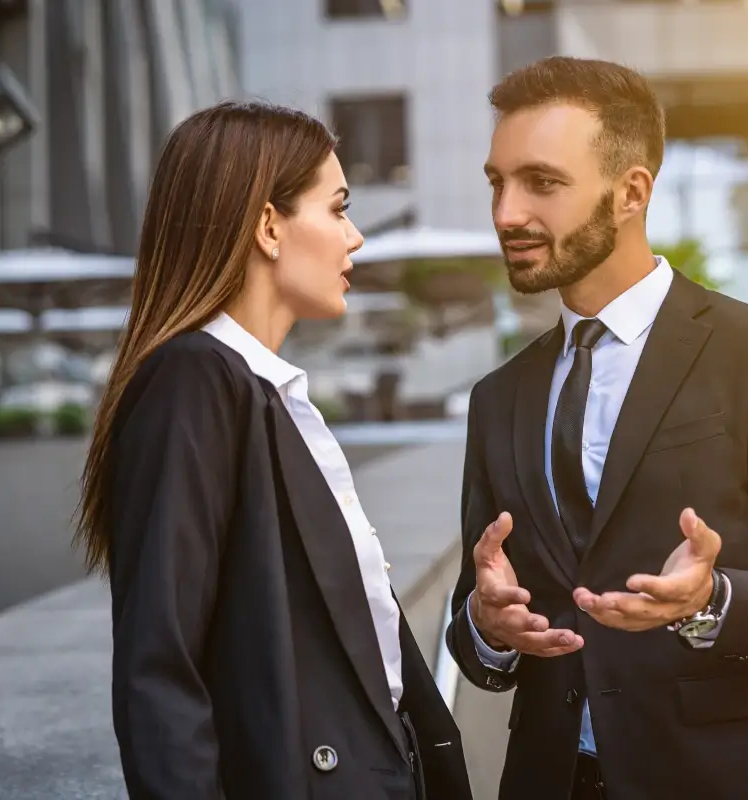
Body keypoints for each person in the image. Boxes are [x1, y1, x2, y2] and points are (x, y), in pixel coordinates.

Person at [444, 56, 748, 799]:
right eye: (497, 182)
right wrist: (487, 624)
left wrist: (711, 602)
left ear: (630, 193)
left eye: (541, 183)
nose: (506, 213)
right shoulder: (498, 397)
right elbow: (475, 626)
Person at [75, 101, 471, 800]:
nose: (354, 238)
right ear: (267, 226)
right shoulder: (195, 380)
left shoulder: (264, 390)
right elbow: (160, 669)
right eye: (338, 209)